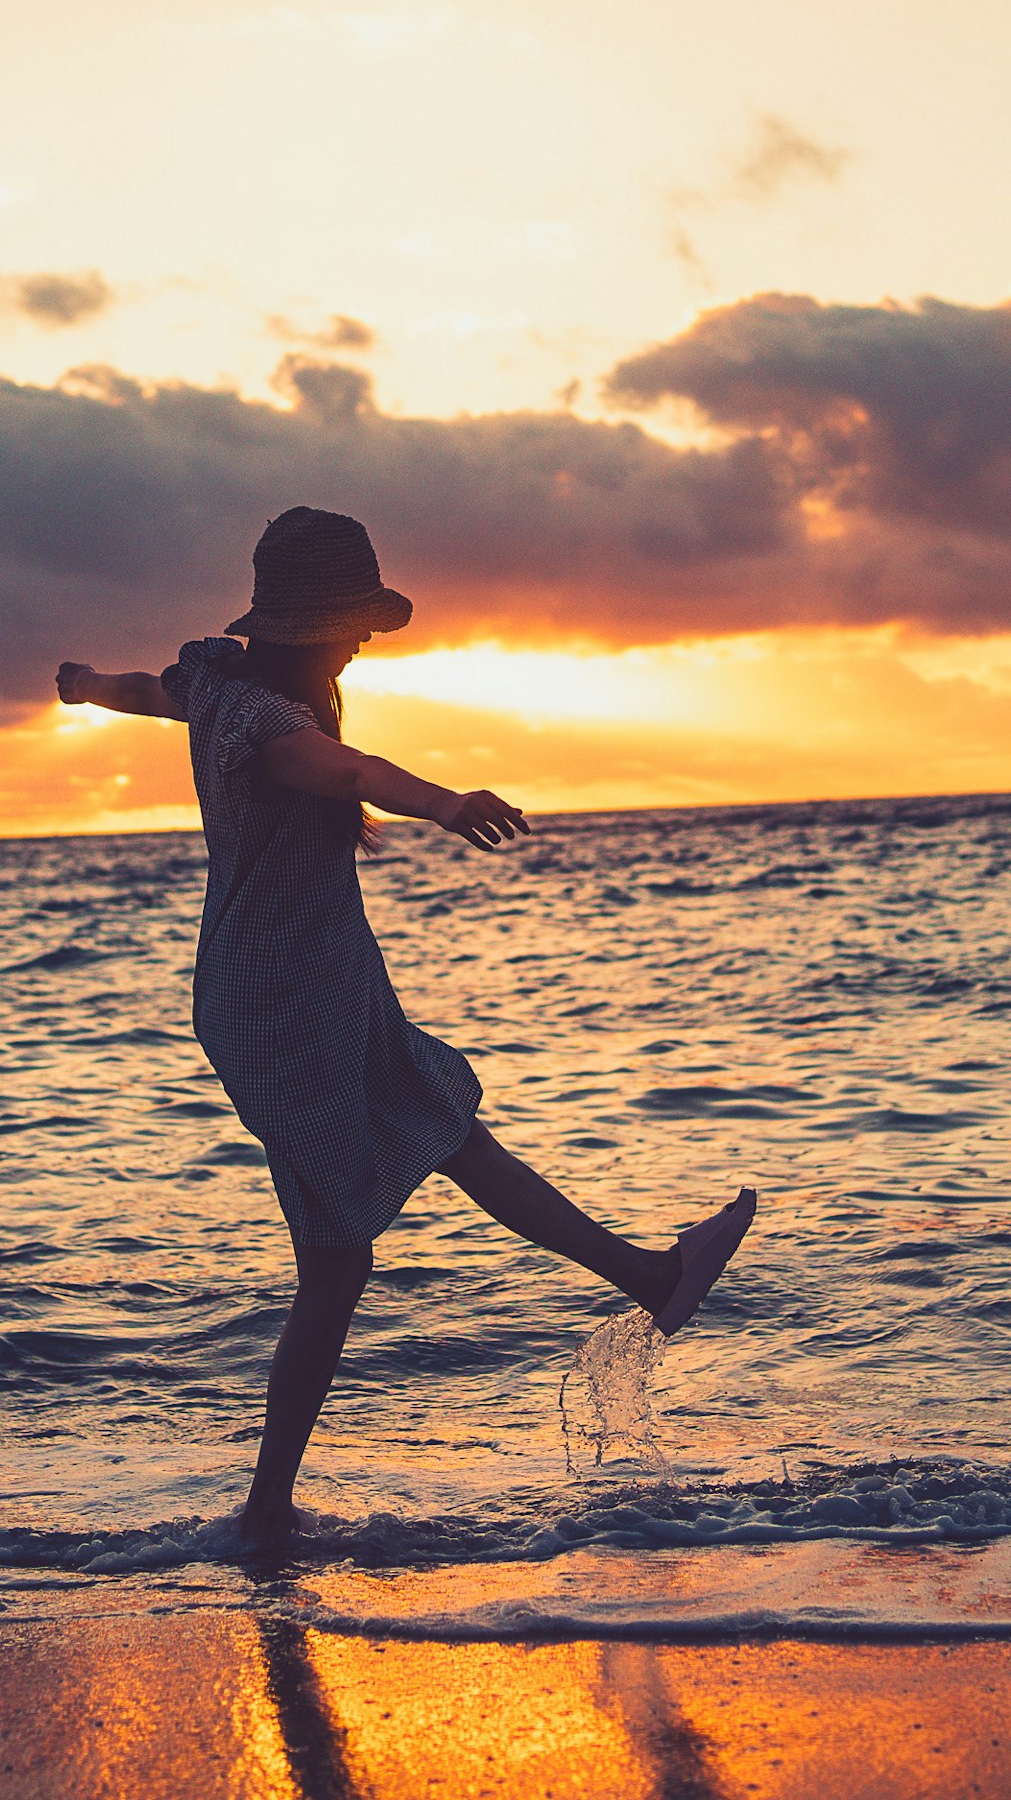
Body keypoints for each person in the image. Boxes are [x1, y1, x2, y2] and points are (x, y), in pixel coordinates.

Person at [58, 505, 758, 1554]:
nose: (361, 639)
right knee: (339, 1265)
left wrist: (86, 688)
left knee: (448, 1137)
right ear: (303, 621)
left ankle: (651, 1278)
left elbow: (148, 693)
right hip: (283, 1002)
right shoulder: (257, 714)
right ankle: (263, 1515)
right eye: (348, 622)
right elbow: (342, 773)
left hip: (329, 984)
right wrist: (443, 802)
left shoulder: (229, 686)